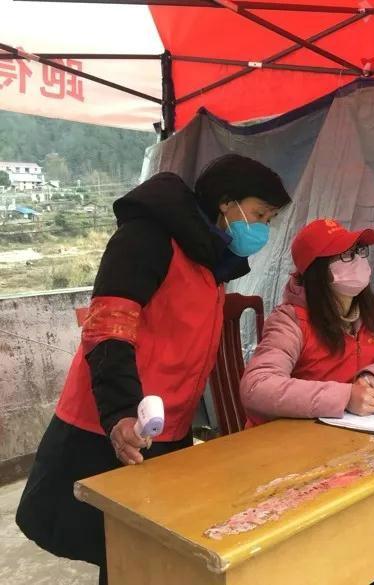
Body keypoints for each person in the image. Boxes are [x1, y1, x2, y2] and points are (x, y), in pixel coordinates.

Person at [16, 154, 291, 585]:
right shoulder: (147, 238)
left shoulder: (209, 259)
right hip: (111, 423)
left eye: (269, 220)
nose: (262, 229)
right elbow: (107, 328)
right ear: (227, 202)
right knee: (121, 548)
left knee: (150, 554)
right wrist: (121, 412)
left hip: (166, 427)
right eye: (259, 215)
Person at [240, 218, 374, 584]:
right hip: (289, 466)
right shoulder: (291, 321)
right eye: (344, 256)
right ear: (317, 271)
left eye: (360, 251)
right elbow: (257, 385)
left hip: (348, 455)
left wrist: (372, 379)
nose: (358, 261)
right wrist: (344, 396)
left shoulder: (365, 317)